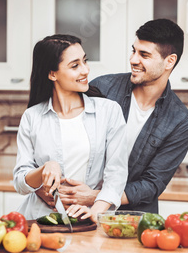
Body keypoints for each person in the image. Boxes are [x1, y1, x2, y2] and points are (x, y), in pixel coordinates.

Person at [38, 19, 188, 214]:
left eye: (144, 55)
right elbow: (55, 135)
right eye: (134, 51)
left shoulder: (180, 120)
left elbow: (152, 184)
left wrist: (96, 196)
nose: (133, 59)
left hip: (129, 220)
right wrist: (42, 187)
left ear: (169, 61)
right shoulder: (103, 88)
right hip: (72, 209)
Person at [13, 34, 128, 222]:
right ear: (52, 74)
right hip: (40, 220)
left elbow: (116, 174)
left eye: (84, 61)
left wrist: (96, 211)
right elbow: (20, 182)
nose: (85, 70)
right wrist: (45, 169)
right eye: (75, 66)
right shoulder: (32, 117)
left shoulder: (108, 112)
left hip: (89, 220)